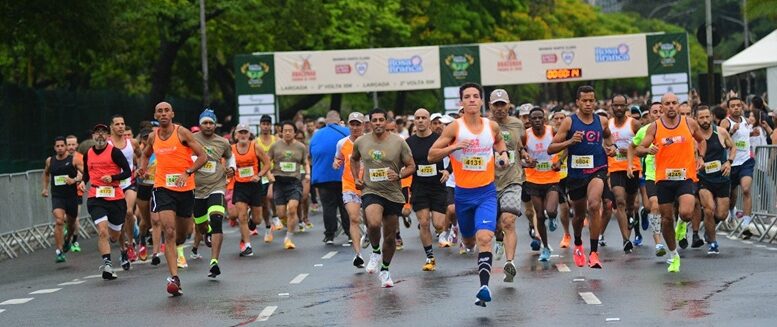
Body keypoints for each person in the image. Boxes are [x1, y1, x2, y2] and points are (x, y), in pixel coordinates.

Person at [429, 83, 510, 307]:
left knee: (485, 237)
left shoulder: (491, 126)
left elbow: (500, 144)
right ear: (461, 102)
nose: (472, 100)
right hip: (463, 195)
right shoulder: (454, 128)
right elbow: (431, 154)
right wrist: (452, 148)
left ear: (481, 101)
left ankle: (484, 287)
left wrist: (502, 155)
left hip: (486, 192)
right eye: (468, 97)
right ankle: (467, 241)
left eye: (476, 96)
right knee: (468, 239)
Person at [138, 102, 208, 296]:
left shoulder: (183, 133)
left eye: (166, 110)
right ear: (155, 114)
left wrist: (188, 172)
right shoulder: (153, 136)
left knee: (182, 234)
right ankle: (174, 278)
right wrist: (143, 168)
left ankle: (182, 244)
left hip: (185, 189)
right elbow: (145, 154)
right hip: (162, 188)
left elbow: (203, 156)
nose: (163, 114)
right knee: (168, 230)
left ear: (172, 113)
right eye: (159, 111)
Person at [636, 92, 706, 273]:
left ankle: (682, 225)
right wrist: (647, 149)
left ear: (679, 105)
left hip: (685, 176)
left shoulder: (689, 123)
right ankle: (673, 255)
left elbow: (701, 140)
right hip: (663, 179)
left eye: (674, 102)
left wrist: (701, 157)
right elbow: (639, 149)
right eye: (667, 103)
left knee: (686, 212)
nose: (671, 106)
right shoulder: (655, 127)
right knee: (666, 219)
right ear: (662, 106)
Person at [548, 85, 616, 270]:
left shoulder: (602, 121)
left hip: (598, 169)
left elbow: (608, 138)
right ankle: (578, 244)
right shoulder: (569, 122)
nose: (588, 104)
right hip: (576, 174)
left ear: (595, 101)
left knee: (594, 205)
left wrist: (612, 148)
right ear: (577, 102)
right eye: (584, 100)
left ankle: (593, 253)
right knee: (578, 216)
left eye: (591, 100)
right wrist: (570, 142)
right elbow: (550, 148)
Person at [351, 108, 416, 288]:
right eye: (374, 120)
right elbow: (353, 159)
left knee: (389, 236)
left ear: (387, 122)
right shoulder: (361, 141)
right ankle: (375, 251)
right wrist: (356, 177)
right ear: (369, 123)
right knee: (372, 222)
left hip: (393, 193)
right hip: (371, 190)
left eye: (381, 120)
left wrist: (399, 175)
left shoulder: (399, 142)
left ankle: (385, 270)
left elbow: (411, 166)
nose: (378, 123)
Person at [79, 124, 132, 280]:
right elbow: (87, 174)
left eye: (103, 133)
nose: (100, 136)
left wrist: (113, 177)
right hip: (96, 197)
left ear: (108, 136)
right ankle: (107, 264)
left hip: (115, 197)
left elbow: (128, 172)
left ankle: (123, 248)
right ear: (92, 136)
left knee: (114, 235)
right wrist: (82, 182)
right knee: (103, 231)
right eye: (97, 133)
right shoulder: (88, 154)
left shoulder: (114, 152)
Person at [191, 109, 235, 277]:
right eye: (205, 123)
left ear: (215, 124)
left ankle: (214, 262)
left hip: (217, 185)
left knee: (217, 218)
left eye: (211, 123)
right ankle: (206, 231)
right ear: (200, 124)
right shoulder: (191, 140)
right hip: (196, 189)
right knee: (201, 226)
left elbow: (230, 157)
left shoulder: (222, 142)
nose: (208, 126)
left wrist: (232, 168)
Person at [405, 108, 449, 272]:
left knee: (438, 224)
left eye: (424, 118)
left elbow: (453, 157)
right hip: (419, 187)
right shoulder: (409, 143)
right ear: (414, 122)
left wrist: (448, 170)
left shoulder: (439, 139)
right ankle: (430, 257)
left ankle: (443, 231)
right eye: (418, 118)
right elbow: (404, 162)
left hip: (438, 186)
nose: (421, 120)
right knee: (424, 223)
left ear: (429, 121)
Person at [489, 89, 525, 281]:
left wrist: (525, 154)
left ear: (509, 105)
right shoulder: (484, 126)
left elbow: (521, 145)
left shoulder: (518, 124)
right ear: (490, 106)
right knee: (496, 226)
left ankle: (509, 263)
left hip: (513, 179)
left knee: (508, 221)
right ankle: (499, 239)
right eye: (496, 105)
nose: (500, 108)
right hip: (489, 182)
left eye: (503, 104)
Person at [628, 102, 668, 257]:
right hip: (651, 174)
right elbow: (633, 147)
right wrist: (631, 164)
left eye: (660, 111)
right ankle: (658, 242)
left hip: (671, 174)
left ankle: (679, 230)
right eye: (655, 112)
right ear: (650, 114)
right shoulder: (645, 131)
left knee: (672, 210)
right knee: (654, 206)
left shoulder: (673, 128)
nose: (658, 114)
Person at [695, 105, 735, 254]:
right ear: (696, 119)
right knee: (709, 210)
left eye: (707, 117)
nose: (705, 120)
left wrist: (728, 162)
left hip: (722, 178)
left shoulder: (721, 132)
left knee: (722, 215)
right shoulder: (694, 136)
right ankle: (713, 242)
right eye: (701, 117)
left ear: (711, 117)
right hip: (704, 179)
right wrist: (698, 164)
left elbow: (733, 147)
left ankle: (708, 227)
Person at [522, 107, 561, 262]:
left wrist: (560, 160)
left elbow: (566, 147)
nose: (537, 120)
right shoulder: (526, 135)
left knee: (550, 211)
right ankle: (545, 247)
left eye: (540, 118)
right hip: (533, 180)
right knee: (539, 215)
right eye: (534, 118)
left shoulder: (553, 132)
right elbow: (519, 152)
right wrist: (526, 161)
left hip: (552, 178)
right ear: (530, 121)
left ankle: (553, 217)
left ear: (544, 119)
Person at [607, 95, 643, 253]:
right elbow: (604, 144)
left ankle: (631, 217)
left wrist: (628, 150)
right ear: (612, 107)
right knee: (619, 201)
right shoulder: (607, 125)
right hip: (615, 168)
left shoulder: (634, 124)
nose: (619, 108)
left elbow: (643, 146)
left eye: (622, 106)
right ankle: (625, 239)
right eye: (616, 105)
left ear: (626, 106)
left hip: (632, 168)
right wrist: (609, 150)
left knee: (630, 205)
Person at [309, 111, 351, 245]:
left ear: (326, 122)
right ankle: (350, 233)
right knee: (345, 205)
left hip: (323, 177)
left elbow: (311, 153)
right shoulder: (347, 131)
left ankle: (329, 235)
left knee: (328, 206)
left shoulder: (317, 135)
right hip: (343, 176)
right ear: (339, 121)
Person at [107, 115, 141, 270]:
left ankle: (131, 242)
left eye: (123, 124)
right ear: (111, 127)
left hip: (129, 182)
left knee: (128, 211)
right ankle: (123, 249)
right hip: (114, 185)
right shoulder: (107, 144)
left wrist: (139, 167)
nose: (121, 126)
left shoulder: (131, 143)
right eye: (117, 124)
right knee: (119, 218)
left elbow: (140, 155)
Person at [268, 122, 310, 250]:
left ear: (295, 133)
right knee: (281, 213)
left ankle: (289, 238)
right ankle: (285, 222)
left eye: (290, 130)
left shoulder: (301, 147)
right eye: (285, 130)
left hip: (294, 181)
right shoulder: (275, 146)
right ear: (281, 132)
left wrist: (308, 174)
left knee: (292, 208)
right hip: (279, 181)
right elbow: (266, 162)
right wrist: (268, 175)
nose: (287, 133)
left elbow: (305, 162)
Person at [42, 136, 83, 263]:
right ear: (54, 148)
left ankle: (68, 240)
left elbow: (85, 174)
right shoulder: (50, 161)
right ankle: (59, 251)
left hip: (71, 197)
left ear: (65, 147)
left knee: (71, 225)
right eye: (57, 146)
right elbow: (46, 173)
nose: (60, 148)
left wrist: (75, 180)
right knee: (59, 221)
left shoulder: (74, 160)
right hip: (57, 197)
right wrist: (45, 188)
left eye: (62, 146)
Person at [334, 112, 367, 268]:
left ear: (363, 125)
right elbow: (339, 157)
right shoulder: (342, 143)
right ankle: (358, 255)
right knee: (354, 218)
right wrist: (336, 163)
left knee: (372, 222)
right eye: (352, 124)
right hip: (349, 185)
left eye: (358, 124)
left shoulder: (370, 142)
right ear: (348, 125)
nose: (355, 127)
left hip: (369, 186)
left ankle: (369, 233)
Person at [232, 124, 271, 256]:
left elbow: (267, 163)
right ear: (236, 135)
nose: (243, 135)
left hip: (254, 186)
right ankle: (247, 245)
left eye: (245, 132)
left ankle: (251, 221)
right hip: (240, 186)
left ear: (249, 134)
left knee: (257, 220)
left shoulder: (255, 147)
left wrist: (259, 175)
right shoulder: (231, 150)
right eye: (240, 132)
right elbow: (226, 165)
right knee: (241, 216)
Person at [720, 97, 755, 226]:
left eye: (738, 105)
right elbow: (720, 140)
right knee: (731, 196)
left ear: (742, 107)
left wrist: (753, 134)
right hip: (730, 163)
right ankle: (730, 210)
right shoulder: (725, 122)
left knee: (746, 189)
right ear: (729, 109)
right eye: (733, 106)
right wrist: (731, 131)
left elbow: (743, 137)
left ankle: (746, 223)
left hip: (746, 161)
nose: (736, 108)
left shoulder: (745, 121)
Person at [135, 128, 162, 265]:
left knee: (156, 220)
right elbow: (131, 170)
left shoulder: (159, 150)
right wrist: (139, 172)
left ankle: (156, 252)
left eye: (149, 138)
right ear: (141, 139)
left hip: (156, 187)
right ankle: (142, 240)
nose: (146, 140)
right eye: (144, 138)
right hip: (143, 188)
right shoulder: (138, 153)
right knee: (146, 222)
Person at [256, 115, 283, 240]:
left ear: (270, 126)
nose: (265, 126)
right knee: (263, 204)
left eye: (268, 124)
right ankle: (267, 227)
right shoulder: (255, 142)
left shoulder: (276, 139)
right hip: (261, 174)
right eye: (263, 124)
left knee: (271, 196)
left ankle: (276, 216)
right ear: (260, 125)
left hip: (274, 172)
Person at [550, 111, 572, 248]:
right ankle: (566, 234)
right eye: (556, 118)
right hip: (556, 175)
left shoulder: (571, 133)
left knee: (576, 203)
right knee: (563, 207)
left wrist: (562, 159)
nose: (559, 121)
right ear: (552, 120)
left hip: (573, 172)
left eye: (562, 118)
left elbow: (571, 148)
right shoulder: (548, 135)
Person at [65, 135, 84, 252]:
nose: (71, 147)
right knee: (63, 219)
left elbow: (84, 174)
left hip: (77, 192)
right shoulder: (61, 158)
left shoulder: (79, 158)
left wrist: (77, 180)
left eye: (73, 144)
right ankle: (68, 232)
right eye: (69, 145)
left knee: (75, 217)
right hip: (62, 193)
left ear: (77, 145)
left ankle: (75, 241)